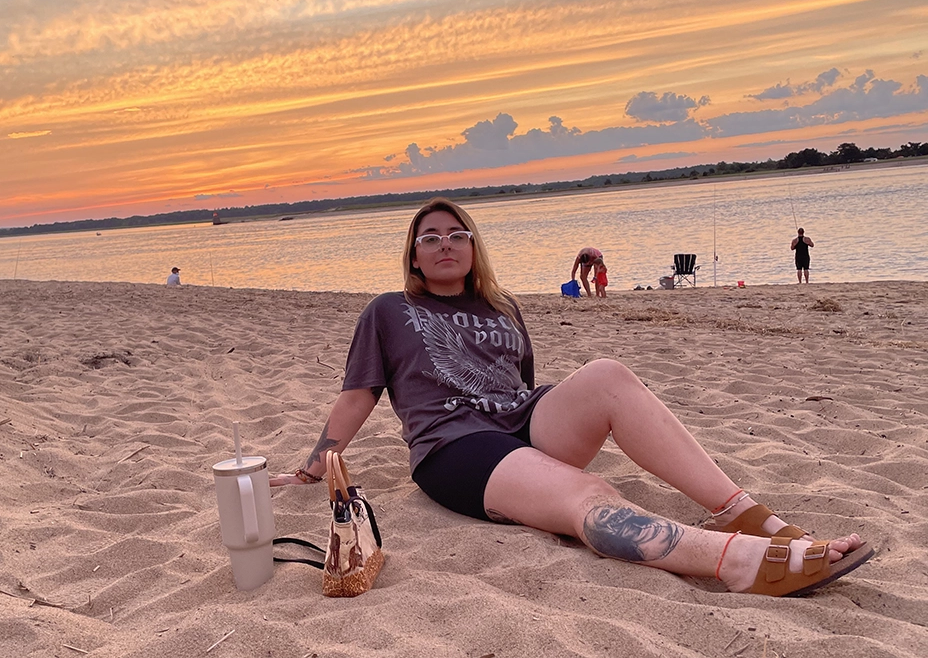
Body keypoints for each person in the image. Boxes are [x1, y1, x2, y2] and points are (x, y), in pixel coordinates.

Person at [271, 197, 872, 596]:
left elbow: (523, 387)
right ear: (415, 256)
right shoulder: (389, 311)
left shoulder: (502, 307)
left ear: (474, 248)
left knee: (607, 372)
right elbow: (358, 394)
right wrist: (316, 462)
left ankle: (751, 516)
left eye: (458, 235)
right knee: (589, 493)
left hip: (522, 421)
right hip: (456, 448)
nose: (445, 244)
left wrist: (538, 430)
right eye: (430, 238)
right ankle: (735, 561)